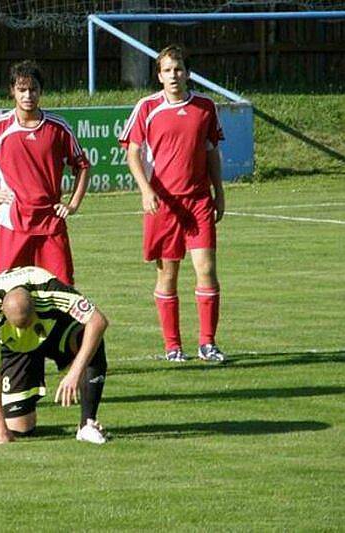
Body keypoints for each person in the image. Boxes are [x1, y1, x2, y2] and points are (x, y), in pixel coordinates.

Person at [119, 45, 226, 363]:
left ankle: (207, 343)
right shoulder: (147, 106)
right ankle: (172, 345)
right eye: (167, 70)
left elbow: (210, 152)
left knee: (206, 269)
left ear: (187, 72)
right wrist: (145, 190)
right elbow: (133, 153)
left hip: (198, 201)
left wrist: (218, 191)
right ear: (159, 75)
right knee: (168, 274)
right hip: (164, 205)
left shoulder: (205, 107)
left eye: (178, 69)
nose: (174, 75)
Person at [0, 60, 91, 286]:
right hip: (13, 224)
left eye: (33, 89)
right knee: (8, 292)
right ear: (12, 91)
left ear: (41, 91)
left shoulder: (58, 128)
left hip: (51, 223)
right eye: (22, 90)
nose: (28, 95)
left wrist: (73, 204)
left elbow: (83, 165)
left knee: (62, 292)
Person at [0, 266, 109, 445]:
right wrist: (0, 431)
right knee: (22, 428)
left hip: (51, 329)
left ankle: (87, 424)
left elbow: (98, 321)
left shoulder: (47, 289)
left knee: (90, 339)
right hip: (15, 346)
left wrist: (75, 373)